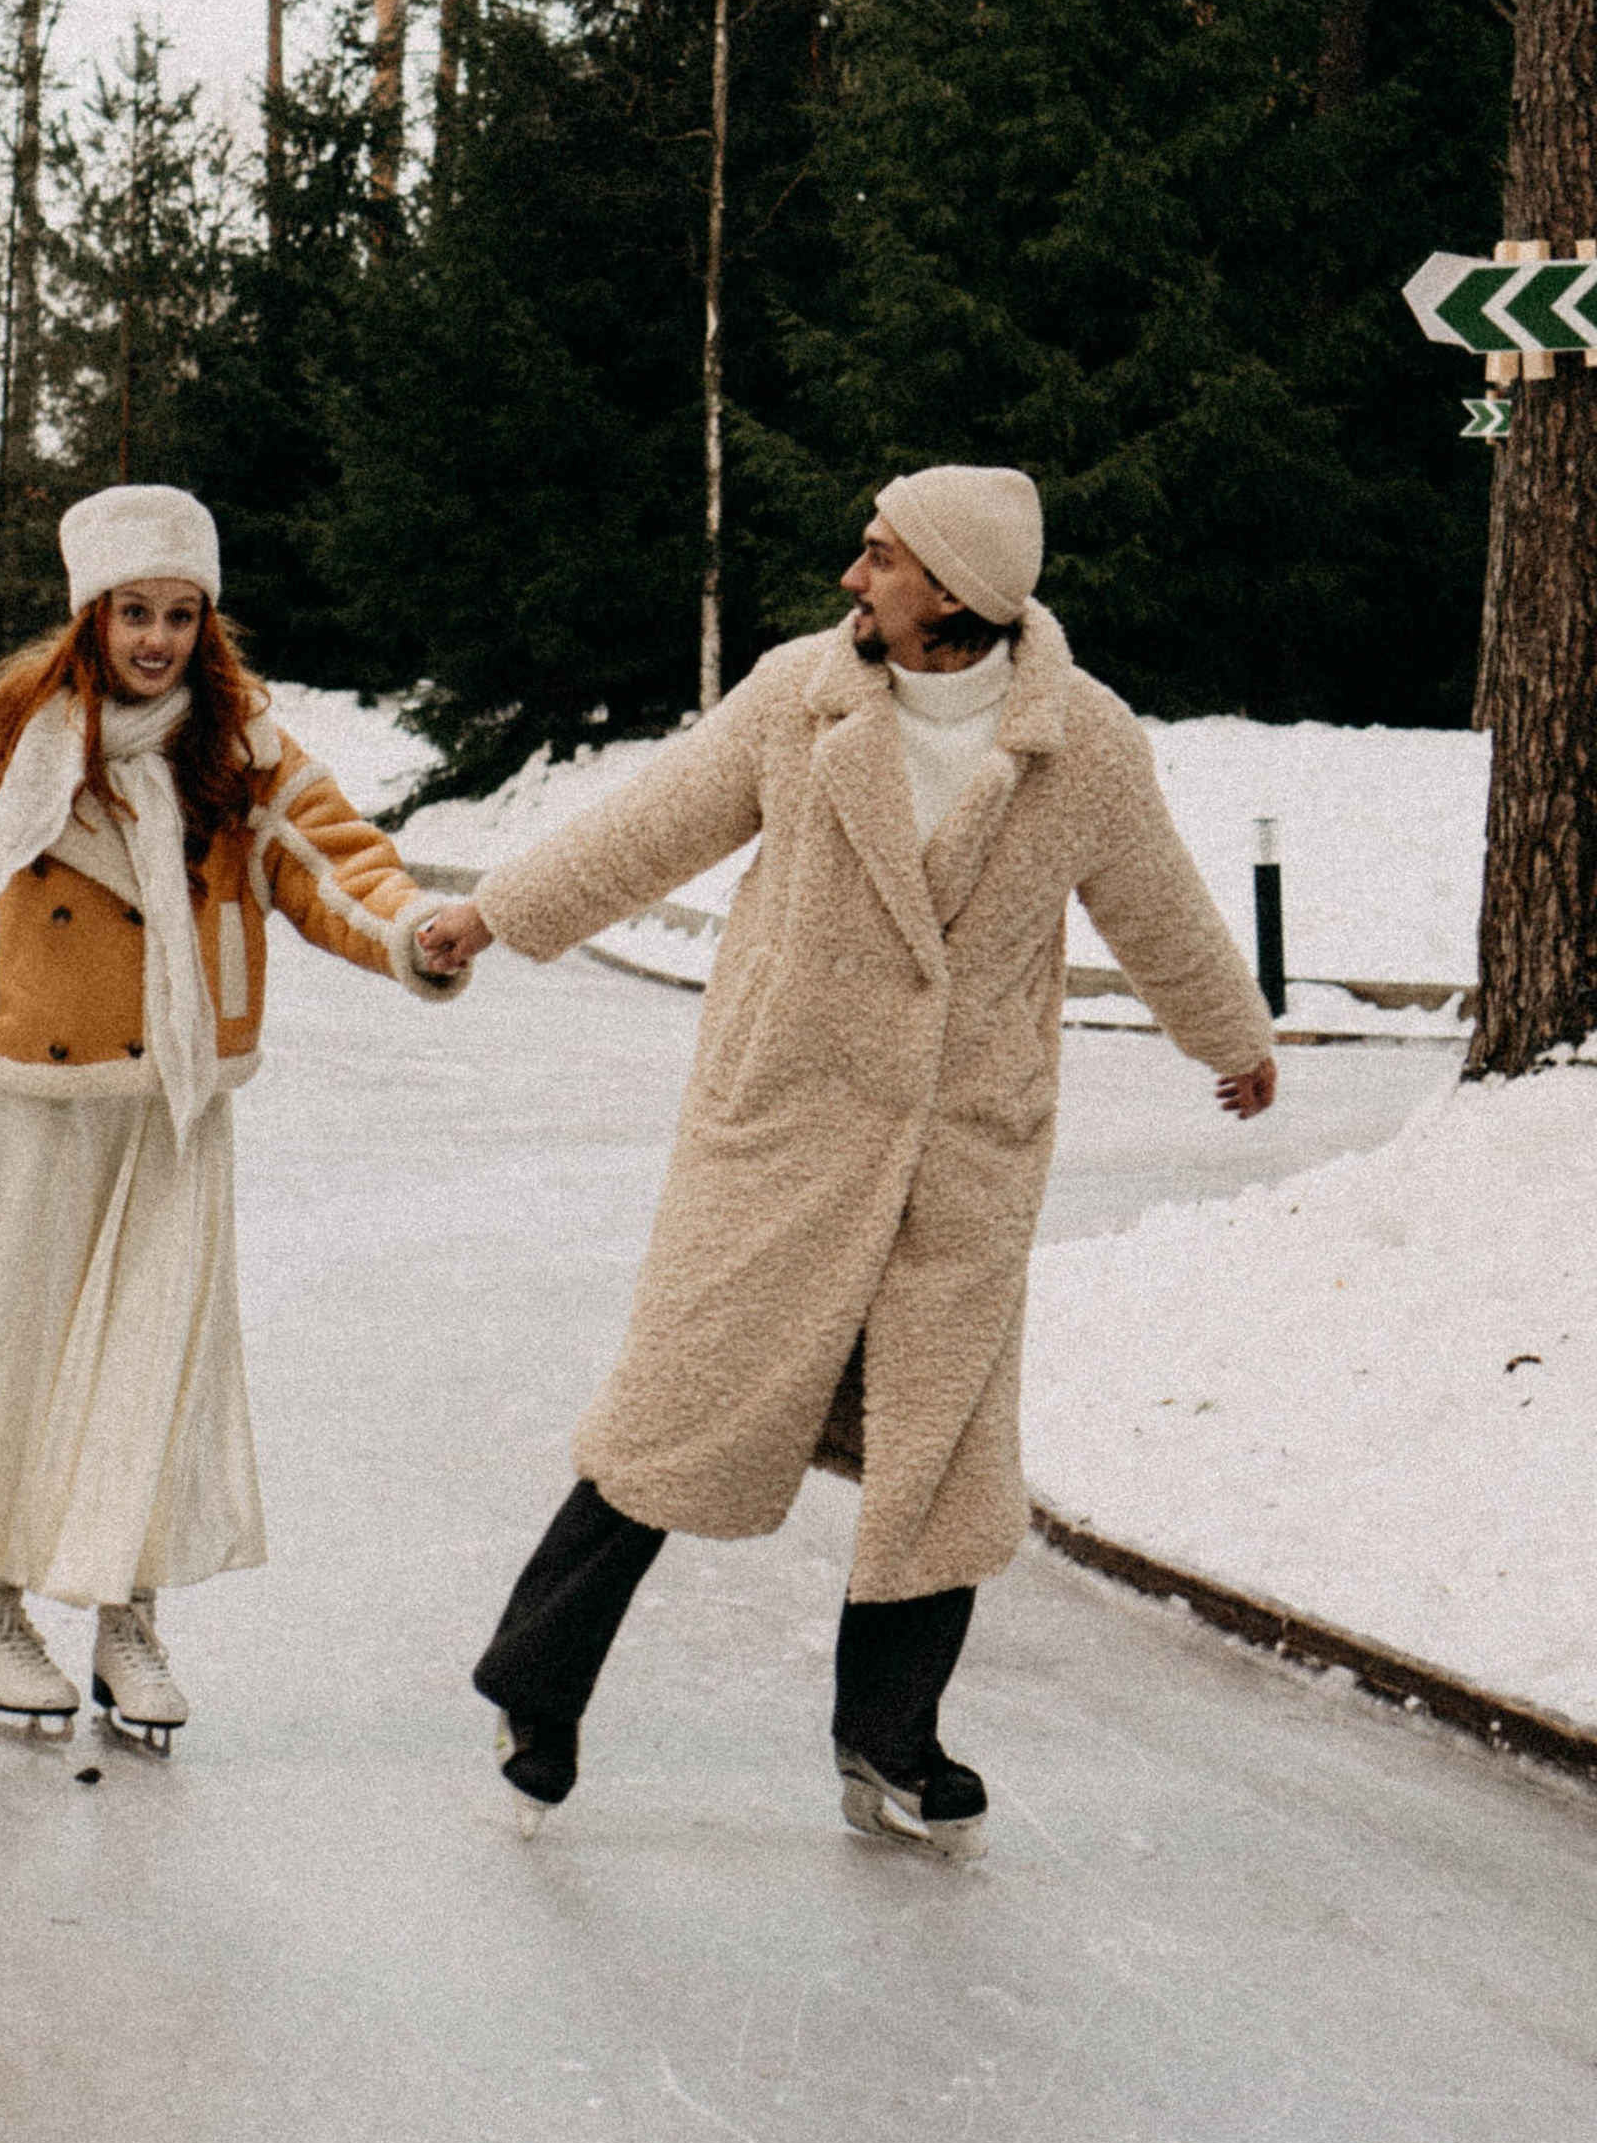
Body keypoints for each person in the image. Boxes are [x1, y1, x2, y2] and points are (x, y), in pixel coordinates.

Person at [414, 464, 1276, 1857]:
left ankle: (891, 1739)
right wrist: (495, 917)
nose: (850, 578)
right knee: (672, 1416)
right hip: (787, 1129)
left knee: (940, 1460)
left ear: (958, 589)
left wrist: (1229, 1034)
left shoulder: (1086, 744)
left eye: (879, 557)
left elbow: (1156, 899)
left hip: (960, 1154)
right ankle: (536, 1686)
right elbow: (652, 828)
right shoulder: (800, 697)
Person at [0, 484, 467, 1743]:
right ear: (90, 614)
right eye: (135, 611)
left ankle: (126, 1616)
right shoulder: (15, 742)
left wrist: (410, 932)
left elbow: (335, 860)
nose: (158, 640)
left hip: (173, 1109)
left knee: (153, 1366)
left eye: (182, 615)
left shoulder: (241, 748)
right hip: (33, 1104)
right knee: (10, 1363)